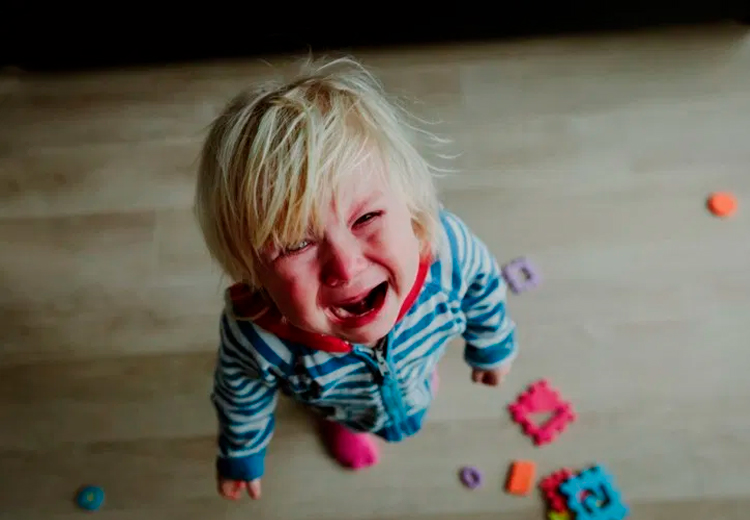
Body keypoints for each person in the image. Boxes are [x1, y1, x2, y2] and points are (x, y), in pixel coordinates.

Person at [193, 56, 518, 501]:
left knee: (413, 378)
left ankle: (411, 382)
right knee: (337, 407)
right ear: (252, 272)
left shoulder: (447, 253)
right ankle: (344, 422)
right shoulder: (256, 337)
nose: (345, 266)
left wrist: (492, 344)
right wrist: (241, 452)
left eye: (366, 217)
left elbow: (484, 289)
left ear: (411, 209)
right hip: (339, 401)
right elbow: (239, 393)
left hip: (417, 360)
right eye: (295, 245)